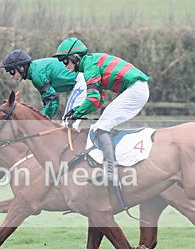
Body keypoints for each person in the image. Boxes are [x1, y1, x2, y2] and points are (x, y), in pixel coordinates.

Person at [53, 37, 150, 184]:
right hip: (136, 89)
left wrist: (76, 113)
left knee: (100, 127)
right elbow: (98, 101)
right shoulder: (90, 63)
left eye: (65, 61)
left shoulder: (89, 65)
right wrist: (78, 111)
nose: (64, 65)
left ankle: (111, 173)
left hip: (135, 90)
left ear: (75, 57)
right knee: (101, 125)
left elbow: (93, 98)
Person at [0, 49, 78, 119]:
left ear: (21, 68)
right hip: (79, 82)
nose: (11, 76)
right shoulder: (35, 70)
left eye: (12, 71)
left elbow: (52, 101)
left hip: (82, 81)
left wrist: (41, 122)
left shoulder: (36, 74)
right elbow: (49, 101)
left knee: (69, 121)